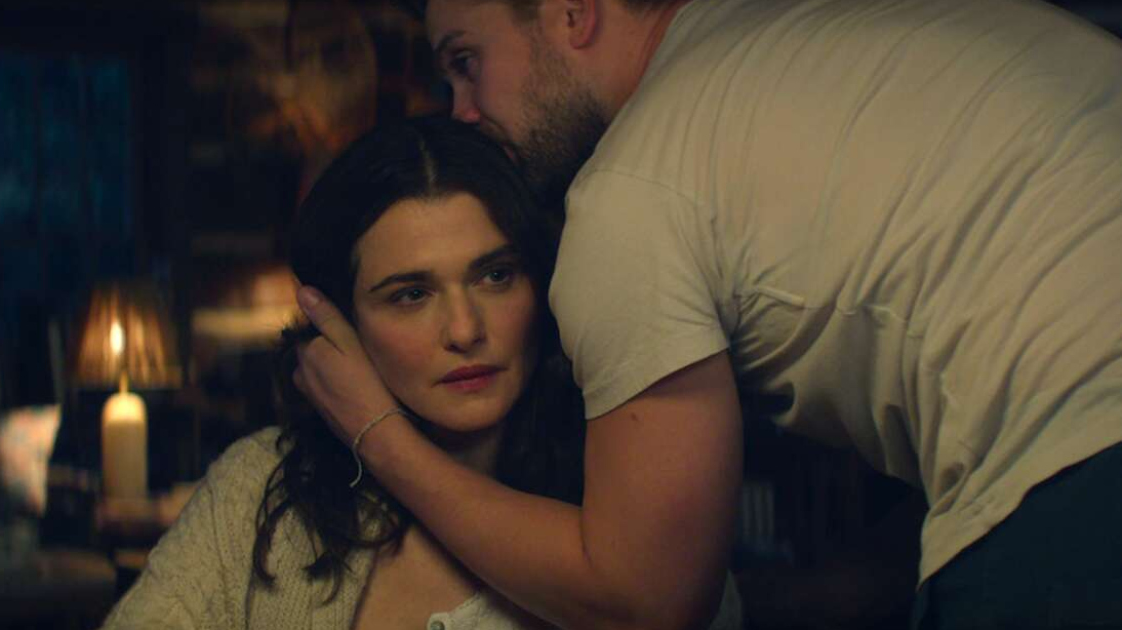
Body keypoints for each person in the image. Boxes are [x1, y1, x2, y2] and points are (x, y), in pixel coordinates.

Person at [291, 0, 1122, 629]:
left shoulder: (634, 188)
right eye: (411, 293)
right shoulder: (819, 36)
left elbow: (647, 601)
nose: (461, 109)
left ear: (572, 13)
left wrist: (379, 437)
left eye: (466, 61)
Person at [100, 116, 744, 629]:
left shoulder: (630, 506)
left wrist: (382, 436)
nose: (464, 330)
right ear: (338, 324)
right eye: (411, 294)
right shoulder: (259, 489)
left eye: (496, 276)